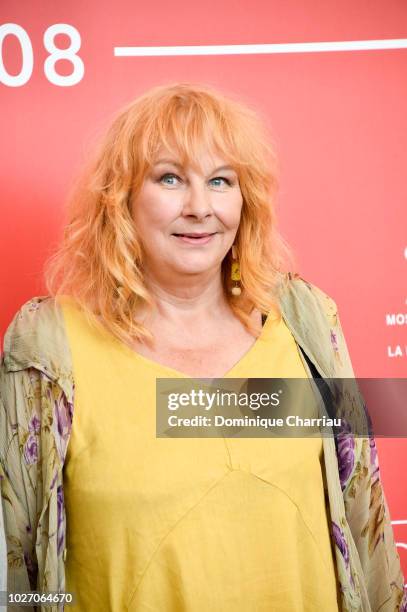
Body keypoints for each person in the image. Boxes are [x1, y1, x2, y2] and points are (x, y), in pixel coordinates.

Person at [0, 82, 405, 612]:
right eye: (170, 178)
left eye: (220, 181)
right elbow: (18, 566)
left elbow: (363, 518)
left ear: (245, 199)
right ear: (120, 199)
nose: (199, 207)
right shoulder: (49, 346)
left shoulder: (302, 320)